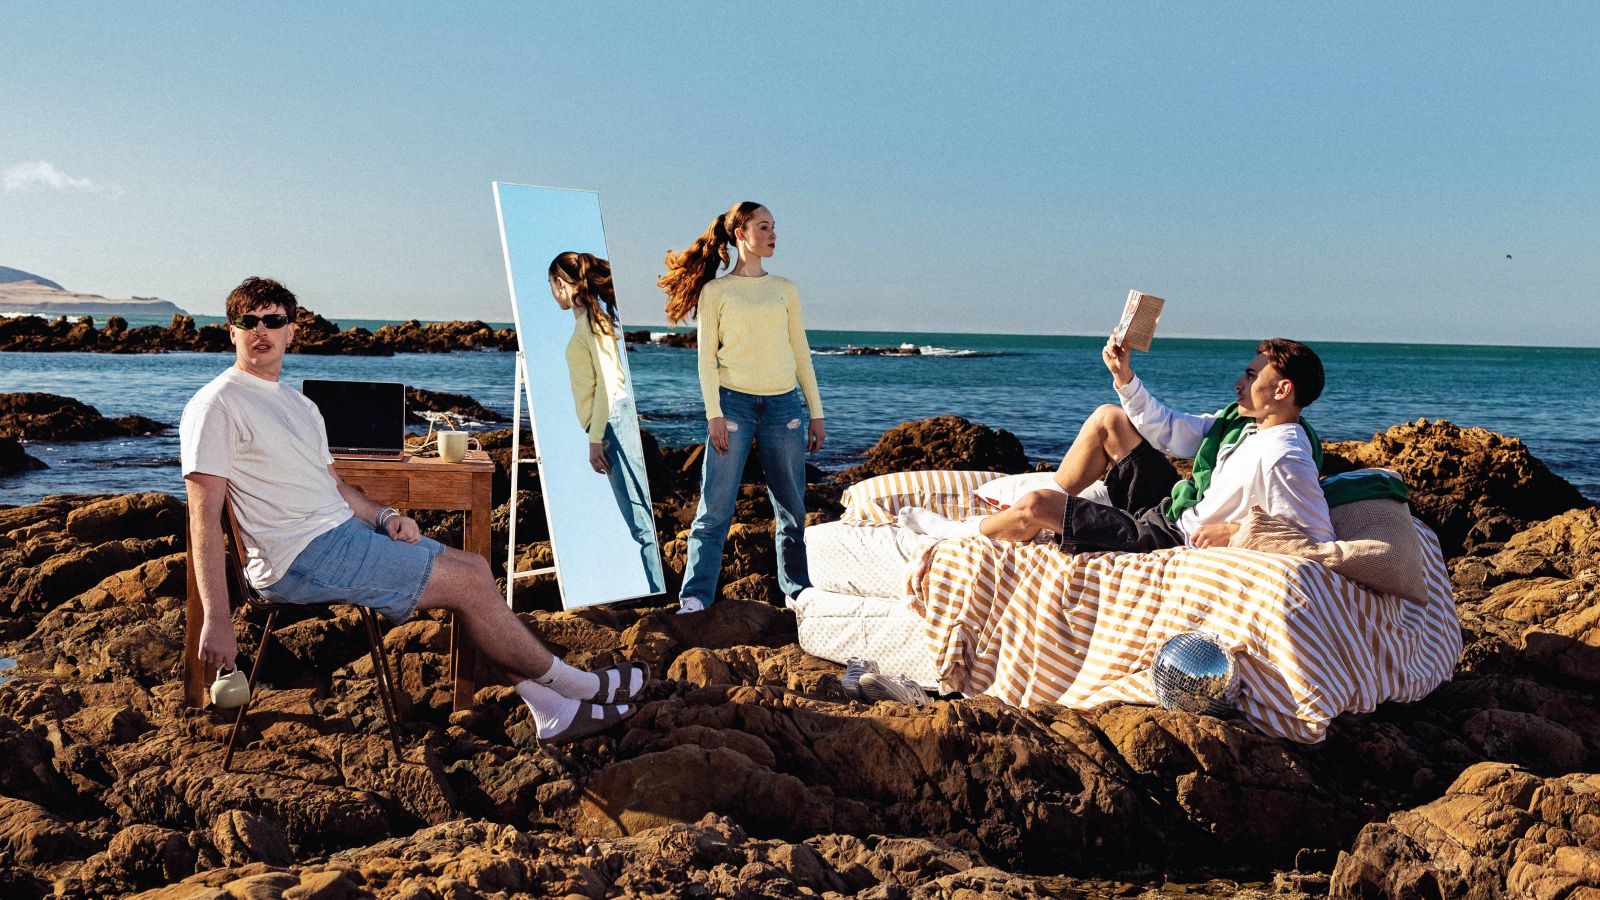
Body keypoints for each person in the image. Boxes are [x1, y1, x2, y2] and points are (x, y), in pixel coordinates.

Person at [181, 276, 646, 745]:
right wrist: (217, 620)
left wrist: (385, 518)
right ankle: (579, 686)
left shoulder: (302, 406)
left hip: (340, 533)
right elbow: (202, 518)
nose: (261, 330)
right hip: (296, 558)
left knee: (476, 569)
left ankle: (551, 710)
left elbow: (337, 488)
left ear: (291, 331)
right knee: (466, 584)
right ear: (232, 331)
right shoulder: (217, 404)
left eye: (273, 320)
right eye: (249, 321)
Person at [901, 337, 1335, 552]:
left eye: (1252, 375)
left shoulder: (1284, 454)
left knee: (1037, 506)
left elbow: (1316, 539)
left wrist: (1236, 534)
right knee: (1110, 418)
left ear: (1282, 391)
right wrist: (1125, 376)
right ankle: (1067, 501)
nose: (1239, 382)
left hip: (1169, 538)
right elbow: (1169, 430)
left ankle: (950, 534)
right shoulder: (1245, 427)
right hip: (1173, 506)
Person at [658, 202, 825, 613]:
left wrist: (816, 412)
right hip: (732, 405)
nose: (772, 234)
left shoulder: (786, 289)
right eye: (763, 227)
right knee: (715, 506)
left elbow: (800, 352)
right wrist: (713, 413)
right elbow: (705, 360)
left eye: (774, 227)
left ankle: (796, 590)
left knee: (791, 506)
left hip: (784, 404)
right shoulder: (716, 292)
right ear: (740, 235)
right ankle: (696, 596)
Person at [549, 251, 665, 593]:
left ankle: (660, 597)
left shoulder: (591, 324)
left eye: (551, 285)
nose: (552, 293)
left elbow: (607, 388)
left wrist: (596, 437)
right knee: (639, 521)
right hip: (610, 425)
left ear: (562, 283)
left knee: (640, 523)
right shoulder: (590, 321)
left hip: (611, 425)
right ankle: (657, 591)